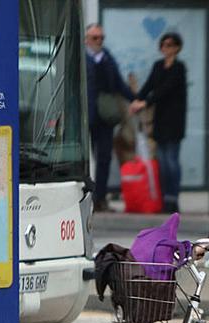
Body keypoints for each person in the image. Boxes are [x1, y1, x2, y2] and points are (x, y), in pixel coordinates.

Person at [130, 33, 188, 213]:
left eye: (170, 45)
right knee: (162, 162)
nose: (167, 48)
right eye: (164, 45)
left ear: (177, 47)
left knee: (171, 160)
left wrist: (145, 102)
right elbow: (149, 85)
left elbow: (166, 89)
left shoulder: (179, 68)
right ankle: (164, 198)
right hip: (160, 120)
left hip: (174, 120)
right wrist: (137, 99)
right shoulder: (158, 66)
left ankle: (173, 197)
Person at [85, 23, 135, 212]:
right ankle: (85, 197)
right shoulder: (81, 57)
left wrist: (136, 99)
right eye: (95, 38)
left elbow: (119, 84)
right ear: (86, 39)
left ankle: (100, 197)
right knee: (83, 160)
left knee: (104, 157)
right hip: (85, 116)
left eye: (101, 38)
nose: (98, 41)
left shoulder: (107, 58)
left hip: (105, 116)